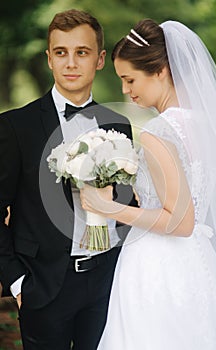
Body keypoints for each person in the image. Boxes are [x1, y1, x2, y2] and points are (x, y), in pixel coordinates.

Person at [80, 19, 216, 349]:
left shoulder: (158, 133)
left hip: (159, 271)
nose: (125, 90)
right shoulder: (207, 126)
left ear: (161, 70)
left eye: (129, 78)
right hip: (198, 262)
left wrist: (110, 207)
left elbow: (179, 221)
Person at [0, 9, 137, 350]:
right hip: (43, 285)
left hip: (107, 283)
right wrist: (17, 282)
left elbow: (125, 203)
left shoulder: (118, 126)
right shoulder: (16, 127)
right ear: (49, 59)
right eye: (61, 52)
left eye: (82, 52)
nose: (71, 63)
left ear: (100, 59)